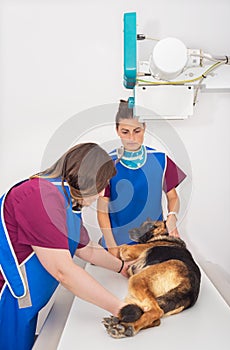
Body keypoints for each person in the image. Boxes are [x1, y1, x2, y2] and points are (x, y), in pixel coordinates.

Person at [0, 142, 131, 350]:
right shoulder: (39, 196)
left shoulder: (67, 201)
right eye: (101, 185)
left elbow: (86, 250)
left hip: (26, 305)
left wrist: (123, 267)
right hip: (6, 300)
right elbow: (63, 271)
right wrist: (122, 309)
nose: (100, 195)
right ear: (87, 177)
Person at [97, 100, 187, 257]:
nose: (132, 138)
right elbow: (102, 210)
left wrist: (172, 218)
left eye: (137, 131)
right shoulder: (108, 164)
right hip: (118, 243)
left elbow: (172, 197)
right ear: (117, 130)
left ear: (145, 128)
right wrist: (112, 247)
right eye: (125, 132)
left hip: (153, 242)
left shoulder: (161, 160)